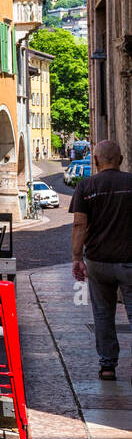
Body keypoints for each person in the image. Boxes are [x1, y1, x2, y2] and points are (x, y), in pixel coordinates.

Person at [70, 140, 132, 381]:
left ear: (95, 161)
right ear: (121, 159)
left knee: (104, 315)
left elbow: (79, 224)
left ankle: (107, 366)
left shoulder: (86, 186)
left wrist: (77, 257)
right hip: (129, 260)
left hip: (98, 261)